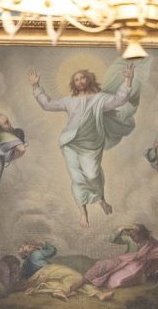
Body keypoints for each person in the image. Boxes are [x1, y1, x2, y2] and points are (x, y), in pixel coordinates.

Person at [28, 64, 135, 228]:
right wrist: (36, 87)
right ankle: (83, 213)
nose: (80, 81)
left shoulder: (100, 99)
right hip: (70, 143)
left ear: (89, 79)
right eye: (76, 79)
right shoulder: (69, 101)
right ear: (74, 84)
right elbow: (48, 104)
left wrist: (127, 79)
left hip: (91, 144)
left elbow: (119, 100)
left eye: (82, 78)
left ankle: (101, 199)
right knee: (77, 178)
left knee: (92, 175)